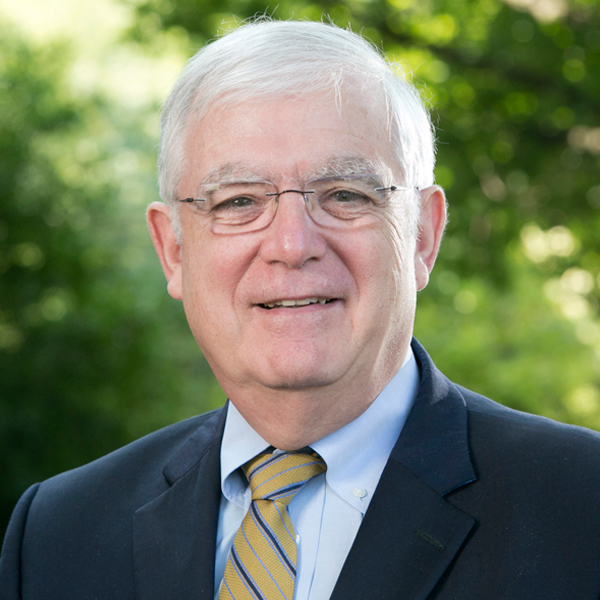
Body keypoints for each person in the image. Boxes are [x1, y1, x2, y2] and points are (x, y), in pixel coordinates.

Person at [1, 19, 600, 600]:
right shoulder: (58, 534)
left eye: (344, 195)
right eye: (238, 202)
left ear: (422, 235)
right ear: (173, 249)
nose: (291, 245)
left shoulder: (582, 506)